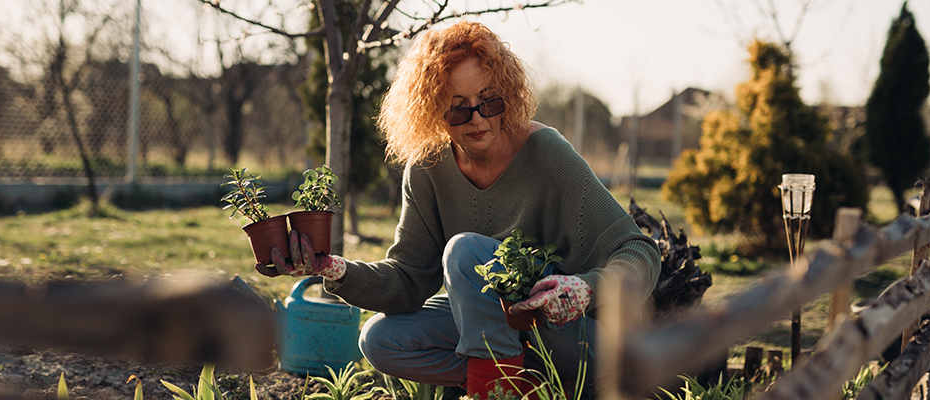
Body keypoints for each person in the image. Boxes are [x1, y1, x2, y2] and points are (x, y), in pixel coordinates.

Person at [254, 20, 661, 399]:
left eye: (489, 101)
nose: (478, 118)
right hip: (498, 334)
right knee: (379, 340)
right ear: (432, 110)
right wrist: (334, 269)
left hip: (573, 331)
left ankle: (499, 388)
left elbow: (639, 251)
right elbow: (408, 280)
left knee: (465, 251)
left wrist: (587, 287)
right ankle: (523, 384)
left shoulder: (548, 154)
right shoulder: (428, 168)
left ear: (507, 93)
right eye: (458, 107)